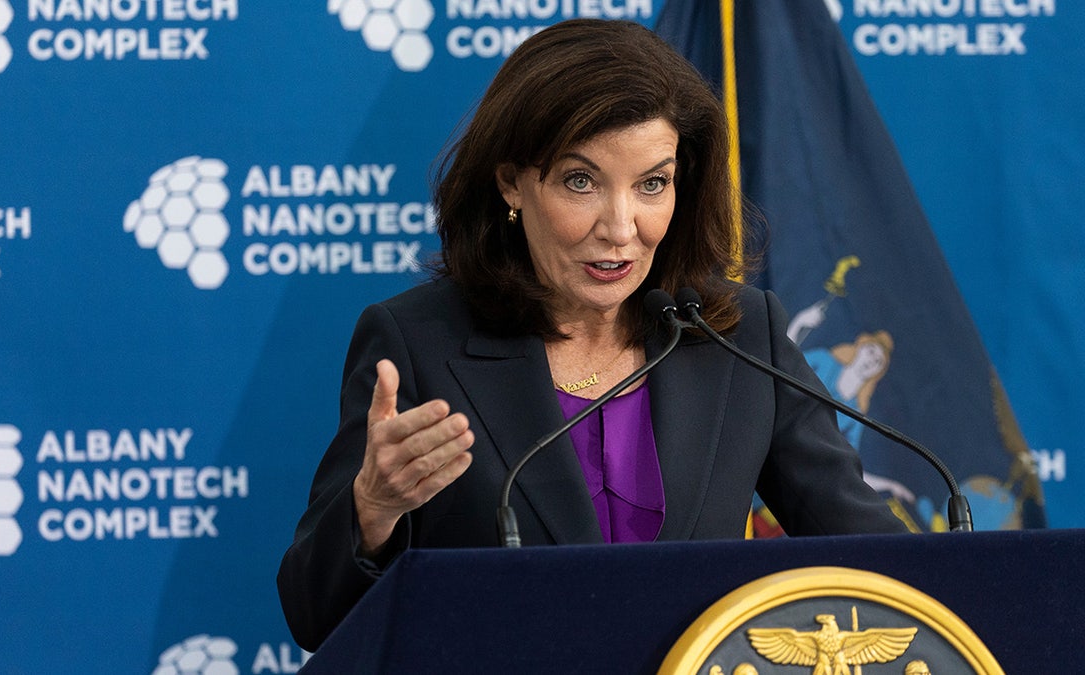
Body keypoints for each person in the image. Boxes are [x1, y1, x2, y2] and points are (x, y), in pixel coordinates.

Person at [277, 18, 908, 651]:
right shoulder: (418, 345)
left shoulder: (737, 337)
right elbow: (314, 617)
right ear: (511, 183)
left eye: (652, 184)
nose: (620, 227)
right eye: (581, 181)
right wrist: (372, 510)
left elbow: (881, 566)